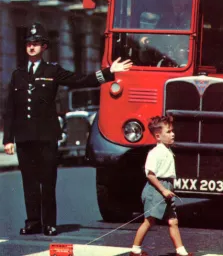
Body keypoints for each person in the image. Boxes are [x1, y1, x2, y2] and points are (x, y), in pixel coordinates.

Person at [2, 22, 132, 236]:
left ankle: (49, 223)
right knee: (29, 183)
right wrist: (8, 139)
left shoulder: (52, 71)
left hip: (46, 136)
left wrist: (109, 72)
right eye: (29, 44)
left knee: (47, 181)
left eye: (36, 43)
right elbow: (10, 109)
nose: (31, 47)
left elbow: (81, 80)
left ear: (44, 47)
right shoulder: (17, 74)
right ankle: (33, 222)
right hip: (25, 138)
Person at [130, 115, 192, 256]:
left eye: (172, 131)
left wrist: (169, 189)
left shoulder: (167, 150)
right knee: (149, 221)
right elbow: (150, 175)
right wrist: (164, 190)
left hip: (166, 188)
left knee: (173, 221)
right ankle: (135, 250)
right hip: (156, 189)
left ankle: (181, 252)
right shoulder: (155, 153)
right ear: (158, 136)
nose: (173, 134)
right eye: (169, 132)